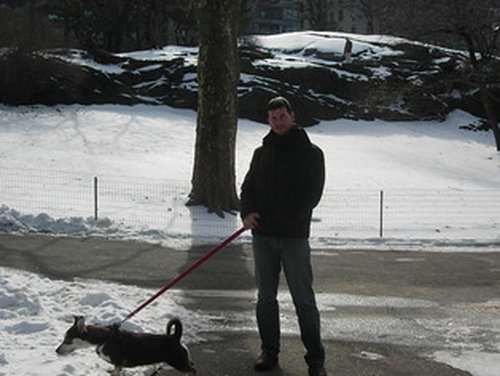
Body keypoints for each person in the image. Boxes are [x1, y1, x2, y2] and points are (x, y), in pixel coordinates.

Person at [240, 96, 327, 376]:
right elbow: (248, 187)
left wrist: (280, 219)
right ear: (268, 120)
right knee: (265, 298)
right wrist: (247, 212)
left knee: (303, 300)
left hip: (294, 238)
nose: (278, 122)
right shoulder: (260, 153)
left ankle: (315, 359)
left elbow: (310, 197)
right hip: (263, 238)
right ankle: (269, 351)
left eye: (282, 116)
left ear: (292, 115)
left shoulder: (312, 154)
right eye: (273, 118)